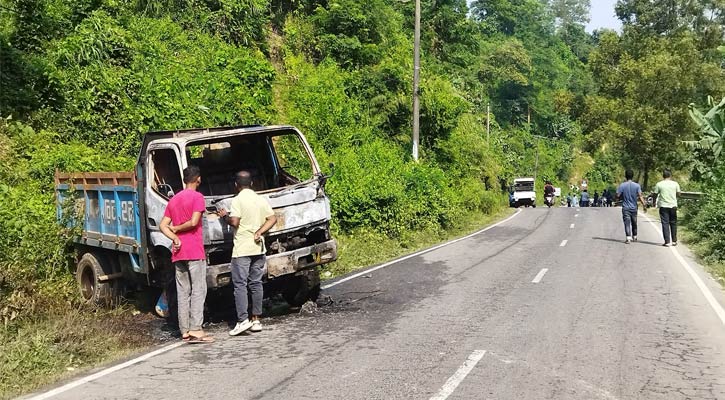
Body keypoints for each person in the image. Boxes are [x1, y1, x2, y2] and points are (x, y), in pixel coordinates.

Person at [159, 166, 213, 343]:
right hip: (194, 250)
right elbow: (194, 222)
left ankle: (184, 330)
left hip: (178, 252)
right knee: (199, 289)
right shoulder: (197, 197)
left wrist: (174, 237)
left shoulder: (174, 200)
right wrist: (177, 229)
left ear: (184, 180)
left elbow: (162, 226)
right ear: (198, 179)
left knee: (183, 291)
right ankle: (196, 329)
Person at [220, 171, 277, 336]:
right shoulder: (259, 199)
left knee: (240, 285)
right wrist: (260, 232)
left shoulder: (237, 200)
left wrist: (225, 216)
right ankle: (256, 319)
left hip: (242, 250)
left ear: (236, 185)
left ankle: (242, 320)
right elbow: (272, 218)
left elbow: (235, 222)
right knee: (256, 283)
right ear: (251, 183)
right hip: (258, 248)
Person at [616, 169, 647, 244]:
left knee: (627, 222)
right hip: (634, 208)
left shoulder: (622, 185)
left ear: (625, 176)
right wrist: (644, 205)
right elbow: (640, 196)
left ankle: (628, 238)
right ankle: (635, 236)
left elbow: (617, 195)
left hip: (625, 207)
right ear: (632, 176)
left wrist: (618, 200)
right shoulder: (637, 186)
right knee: (634, 222)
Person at [654, 169, 681, 247]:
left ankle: (667, 241)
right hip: (673, 205)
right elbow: (679, 194)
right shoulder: (675, 184)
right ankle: (674, 241)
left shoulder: (659, 184)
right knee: (673, 223)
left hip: (663, 206)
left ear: (663, 176)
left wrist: (653, 202)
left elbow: (655, 194)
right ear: (670, 175)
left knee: (665, 223)